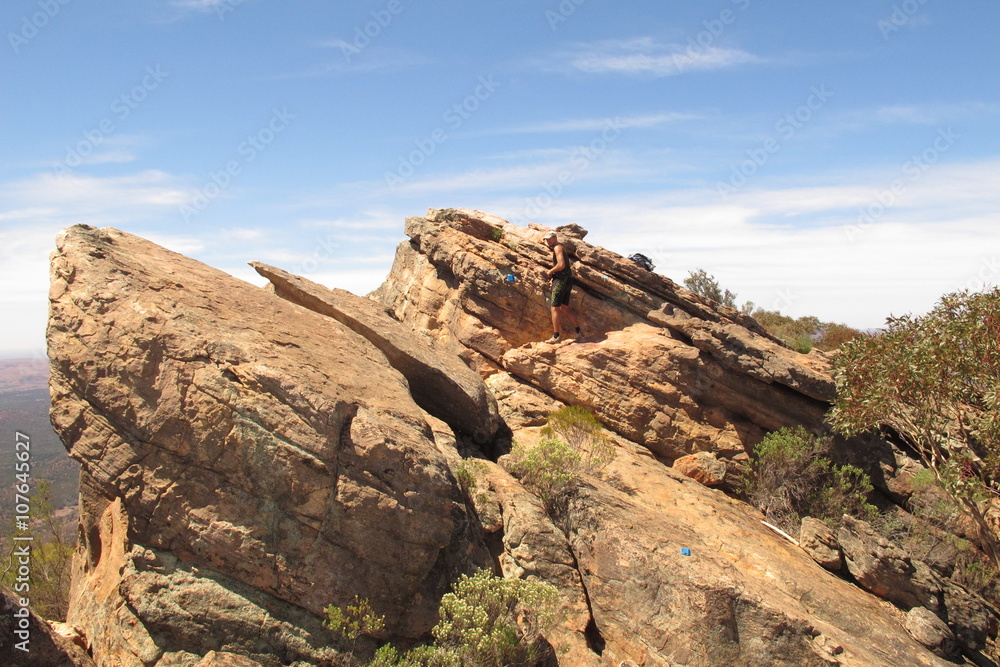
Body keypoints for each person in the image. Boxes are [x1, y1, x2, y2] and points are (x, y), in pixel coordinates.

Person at [539, 231, 582, 343]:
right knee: (565, 308)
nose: (548, 241)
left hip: (561, 281)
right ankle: (578, 331)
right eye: (546, 239)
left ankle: (556, 336)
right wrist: (555, 274)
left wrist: (550, 271)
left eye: (550, 239)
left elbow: (561, 265)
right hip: (567, 280)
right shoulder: (559, 248)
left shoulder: (557, 248)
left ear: (555, 238)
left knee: (555, 308)